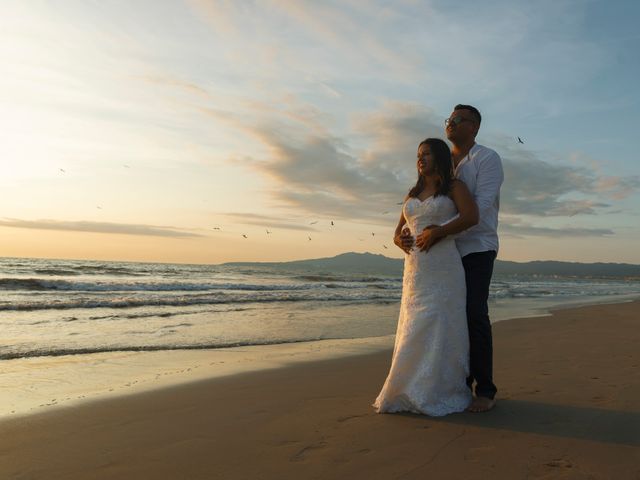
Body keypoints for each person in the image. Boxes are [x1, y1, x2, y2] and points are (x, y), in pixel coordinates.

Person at [372, 138, 479, 416]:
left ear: (440, 157)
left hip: (444, 267)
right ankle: (407, 388)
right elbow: (398, 231)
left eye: (427, 154)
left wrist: (439, 231)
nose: (421, 159)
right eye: (418, 154)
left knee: (440, 324)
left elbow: (471, 217)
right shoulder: (413, 193)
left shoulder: (454, 188)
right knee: (414, 324)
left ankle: (438, 390)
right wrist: (399, 240)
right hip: (416, 270)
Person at [425, 104, 504, 413]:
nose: (450, 123)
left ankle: (485, 389)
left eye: (458, 120)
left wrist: (440, 232)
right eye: (448, 119)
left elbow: (480, 209)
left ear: (474, 126)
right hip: (445, 251)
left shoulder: (486, 159)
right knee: (449, 318)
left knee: (474, 314)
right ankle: (456, 385)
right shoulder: (444, 164)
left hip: (477, 247)